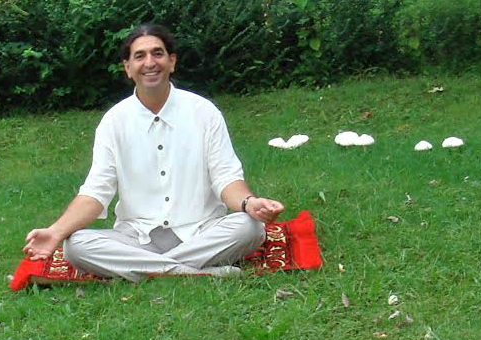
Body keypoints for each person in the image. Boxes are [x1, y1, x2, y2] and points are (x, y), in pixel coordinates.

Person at [21, 23, 285, 282]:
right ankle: (193, 272)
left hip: (201, 232)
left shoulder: (204, 112)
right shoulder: (114, 122)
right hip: (137, 239)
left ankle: (151, 271)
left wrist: (249, 203)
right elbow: (96, 192)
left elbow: (225, 177)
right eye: (140, 56)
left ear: (172, 62)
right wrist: (56, 232)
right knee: (75, 245)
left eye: (157, 53)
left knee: (249, 227)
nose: (150, 62)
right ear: (128, 68)